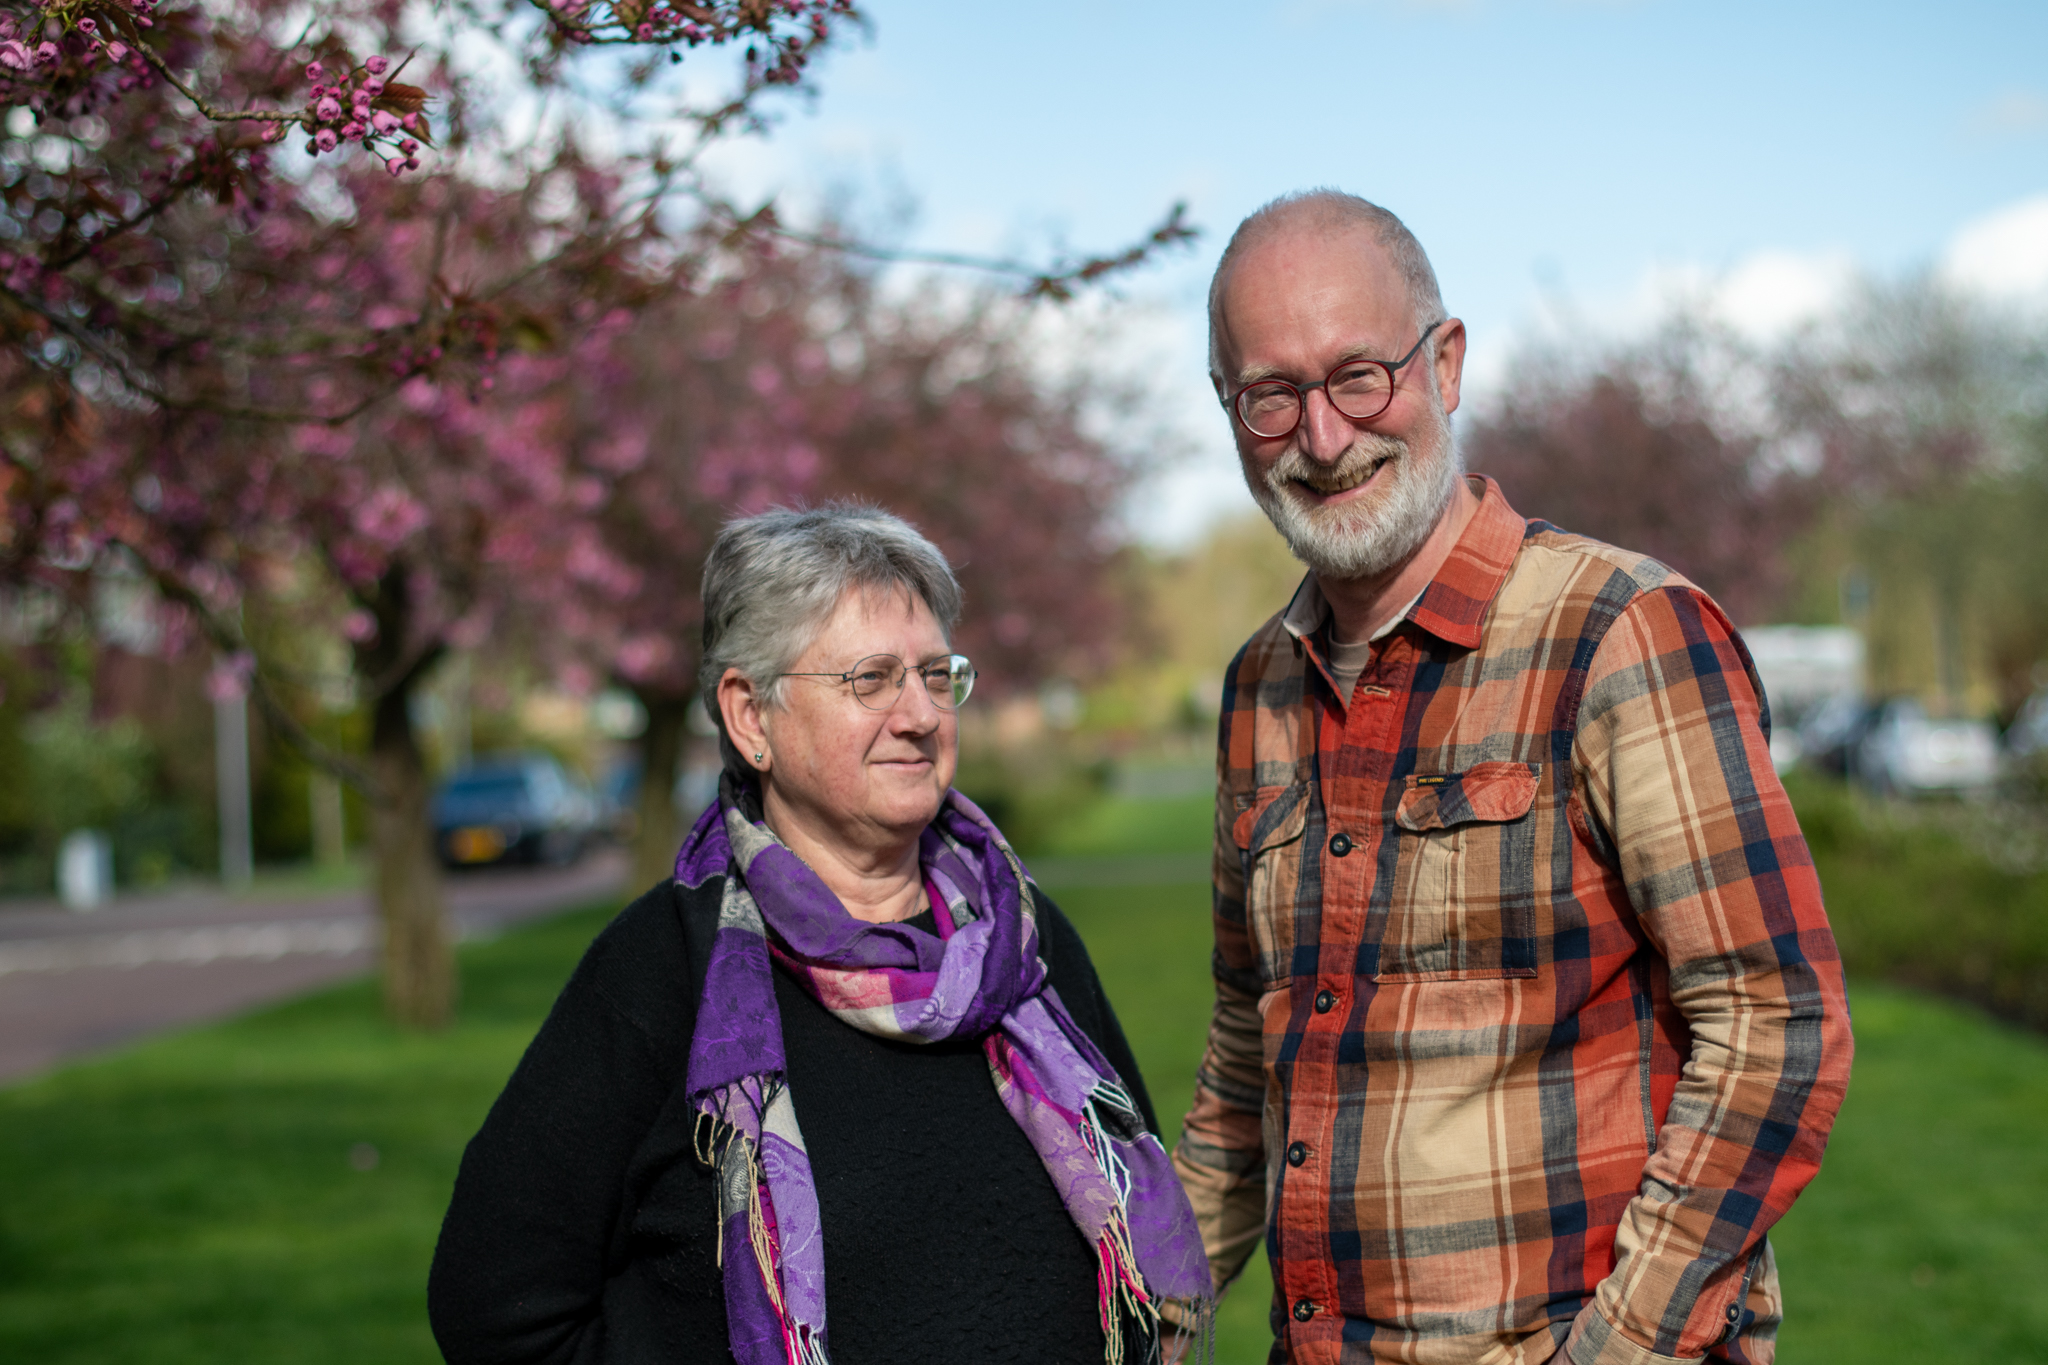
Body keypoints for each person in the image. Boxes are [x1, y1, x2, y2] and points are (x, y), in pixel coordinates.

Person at [1169, 190, 1854, 1365]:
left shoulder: (1620, 632)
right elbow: (1250, 1045)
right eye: (1271, 395)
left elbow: (1773, 1024)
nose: (1323, 439)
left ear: (1444, 361)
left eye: (1358, 377)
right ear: (1230, 410)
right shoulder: (1258, 690)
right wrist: (1153, 1302)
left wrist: (1617, 1350)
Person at [430, 504, 1211, 1365]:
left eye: (935, 674)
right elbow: (496, 1304)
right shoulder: (663, 970)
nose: (919, 712)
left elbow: (1135, 1215)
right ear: (750, 716)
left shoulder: (1021, 942)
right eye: (871, 678)